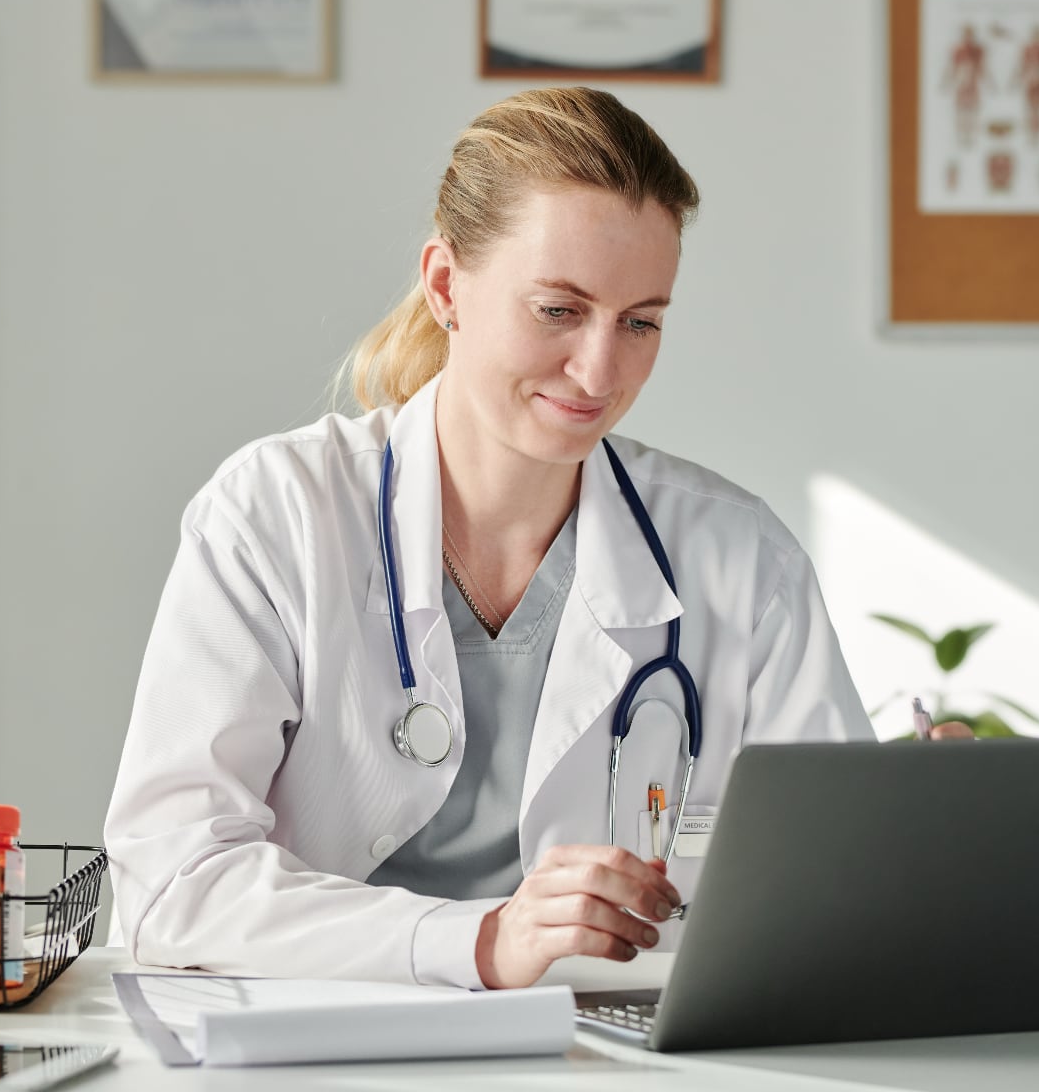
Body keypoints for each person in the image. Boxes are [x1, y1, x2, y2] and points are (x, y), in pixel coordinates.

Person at [104, 87, 963, 992]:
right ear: (446, 286)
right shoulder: (276, 516)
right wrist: (478, 941)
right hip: (310, 1050)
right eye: (559, 310)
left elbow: (819, 898)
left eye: (641, 322)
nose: (600, 370)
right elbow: (173, 885)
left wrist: (910, 848)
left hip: (608, 1060)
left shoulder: (740, 559)